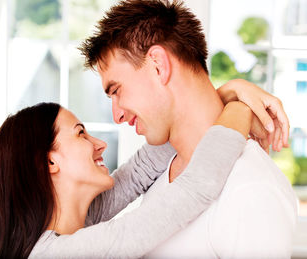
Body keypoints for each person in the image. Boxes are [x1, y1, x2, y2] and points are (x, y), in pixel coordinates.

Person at [80, 0, 298, 257]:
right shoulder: (165, 169)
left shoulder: (250, 189)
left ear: (158, 65)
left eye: (117, 90)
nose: (117, 115)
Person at [0, 101, 251, 259]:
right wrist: (241, 108)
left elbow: (142, 168)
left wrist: (221, 95)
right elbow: (196, 187)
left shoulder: (77, 227)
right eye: (81, 134)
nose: (100, 144)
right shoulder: (58, 254)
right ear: (49, 162)